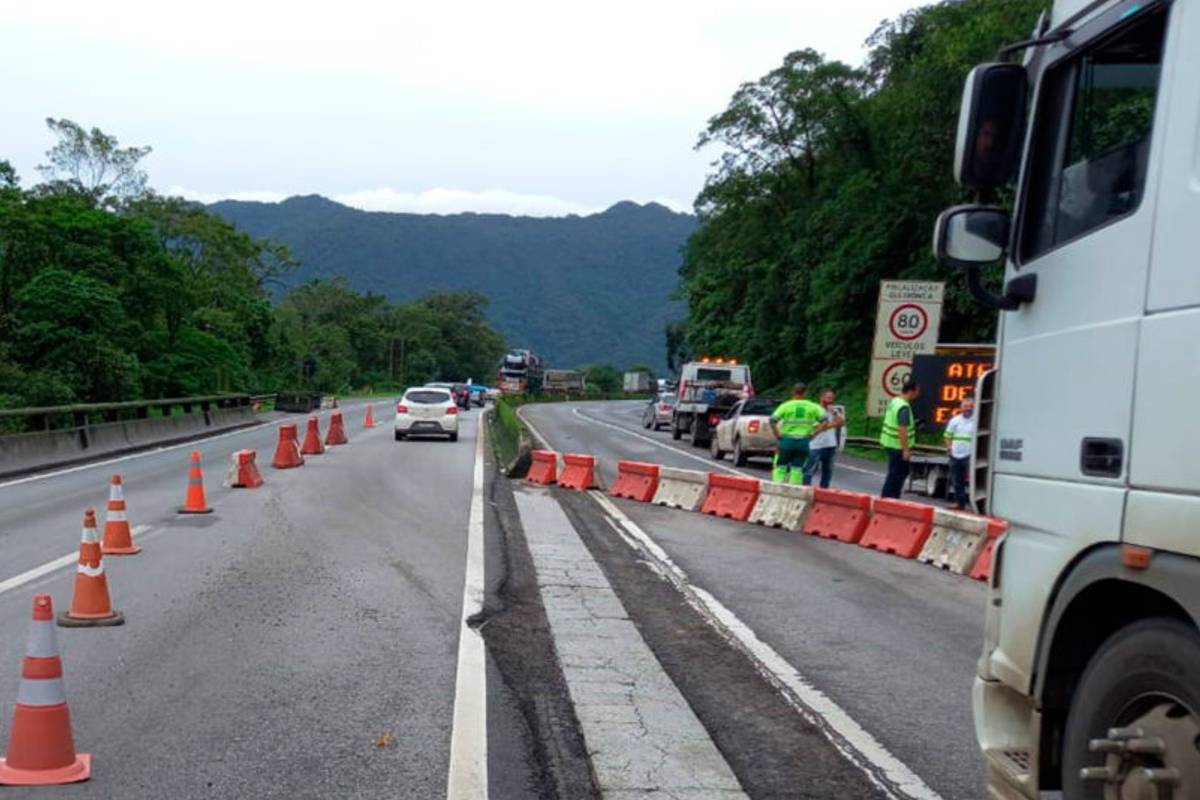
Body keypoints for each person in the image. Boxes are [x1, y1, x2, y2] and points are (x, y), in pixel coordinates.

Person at [769, 383, 826, 485]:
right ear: (805, 393)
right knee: (797, 468)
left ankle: (777, 487)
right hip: (803, 442)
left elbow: (772, 420)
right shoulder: (813, 406)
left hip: (786, 441)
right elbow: (824, 421)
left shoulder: (786, 405)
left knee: (780, 466)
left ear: (793, 392)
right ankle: (793, 489)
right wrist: (814, 433)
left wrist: (777, 434)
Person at [879, 379, 920, 499]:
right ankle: (889, 498)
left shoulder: (895, 401)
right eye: (917, 391)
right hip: (898, 446)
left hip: (890, 443)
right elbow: (902, 429)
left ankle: (888, 497)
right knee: (897, 474)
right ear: (911, 391)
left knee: (895, 473)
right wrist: (906, 449)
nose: (918, 394)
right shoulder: (904, 407)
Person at [803, 389, 844, 488]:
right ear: (822, 398)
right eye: (828, 398)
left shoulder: (833, 410)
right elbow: (820, 427)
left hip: (830, 444)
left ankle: (824, 490)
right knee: (810, 469)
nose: (830, 400)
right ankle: (806, 488)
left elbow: (841, 422)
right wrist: (833, 424)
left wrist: (834, 413)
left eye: (832, 398)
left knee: (828, 471)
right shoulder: (816, 410)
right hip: (816, 445)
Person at [943, 397, 975, 511]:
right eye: (966, 406)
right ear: (961, 408)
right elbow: (947, 436)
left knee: (974, 482)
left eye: (971, 406)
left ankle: (975, 506)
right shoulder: (954, 420)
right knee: (957, 482)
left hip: (970, 456)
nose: (968, 409)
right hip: (955, 455)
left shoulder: (977, 420)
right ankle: (960, 504)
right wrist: (949, 448)